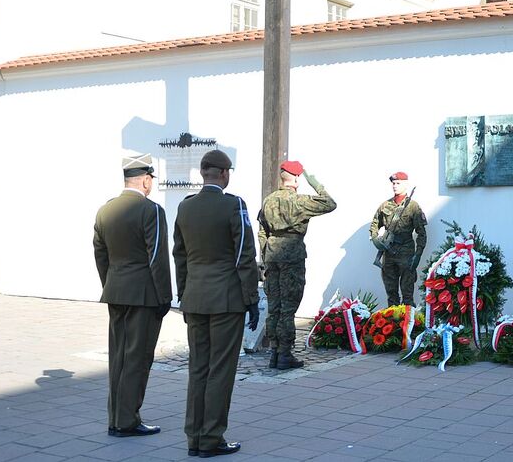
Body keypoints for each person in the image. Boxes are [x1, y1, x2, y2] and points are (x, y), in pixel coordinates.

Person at [172, 150, 258, 458]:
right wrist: (251, 299)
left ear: (202, 173)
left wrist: (183, 294)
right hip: (226, 300)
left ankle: (194, 436)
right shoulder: (233, 204)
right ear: (224, 174)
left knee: (198, 369)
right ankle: (211, 438)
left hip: (194, 298)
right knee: (220, 370)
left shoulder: (185, 208)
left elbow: (179, 256)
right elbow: (243, 256)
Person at [93, 153, 172, 437]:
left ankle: (116, 417)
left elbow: (100, 254)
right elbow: (157, 258)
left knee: (118, 357)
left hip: (116, 291)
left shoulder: (106, 210)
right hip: (144, 295)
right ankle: (127, 420)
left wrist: (111, 283)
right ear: (146, 181)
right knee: (137, 358)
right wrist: (165, 296)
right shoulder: (151, 211)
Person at [258, 160, 336, 370]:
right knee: (288, 307)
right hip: (292, 256)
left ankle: (274, 352)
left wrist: (266, 255)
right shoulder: (299, 201)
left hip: (272, 257)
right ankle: (284, 354)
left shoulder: (269, 200)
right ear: (296, 178)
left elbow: (262, 231)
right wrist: (316, 183)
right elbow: (330, 203)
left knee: (274, 306)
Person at [370, 171, 427, 306]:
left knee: (407, 295)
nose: (395, 186)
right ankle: (391, 324)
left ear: (405, 185)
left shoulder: (413, 206)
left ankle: (408, 324)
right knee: (391, 294)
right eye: (393, 183)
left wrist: (418, 255)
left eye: (398, 183)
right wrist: (375, 240)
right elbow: (374, 225)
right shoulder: (385, 205)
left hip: (406, 253)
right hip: (388, 253)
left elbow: (421, 233)